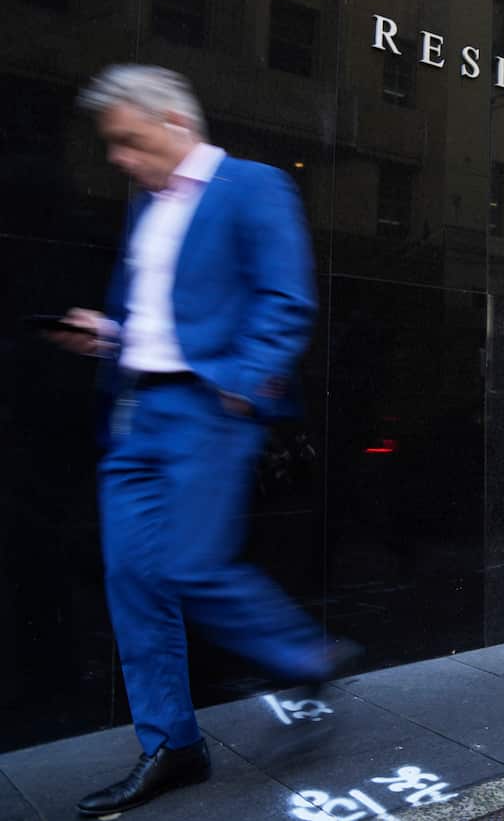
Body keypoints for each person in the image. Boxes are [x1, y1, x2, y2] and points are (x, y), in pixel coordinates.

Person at [50, 65, 344, 816]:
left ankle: (303, 655)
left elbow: (286, 298)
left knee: (188, 562)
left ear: (175, 124)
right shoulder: (148, 207)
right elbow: (156, 315)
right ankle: (174, 745)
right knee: (133, 578)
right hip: (134, 413)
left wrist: (239, 386)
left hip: (205, 408)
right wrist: (106, 334)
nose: (118, 156)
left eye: (129, 139)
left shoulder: (254, 186)